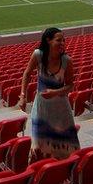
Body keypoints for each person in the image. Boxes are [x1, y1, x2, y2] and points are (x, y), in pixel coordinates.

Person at [19, 27, 81, 160]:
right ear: (48, 40)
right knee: (37, 145)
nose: (63, 43)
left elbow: (70, 85)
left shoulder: (67, 61)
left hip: (61, 109)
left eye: (64, 40)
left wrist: (55, 92)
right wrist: (23, 96)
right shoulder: (38, 55)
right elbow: (27, 73)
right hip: (42, 107)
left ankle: (63, 172)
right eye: (59, 40)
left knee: (64, 146)